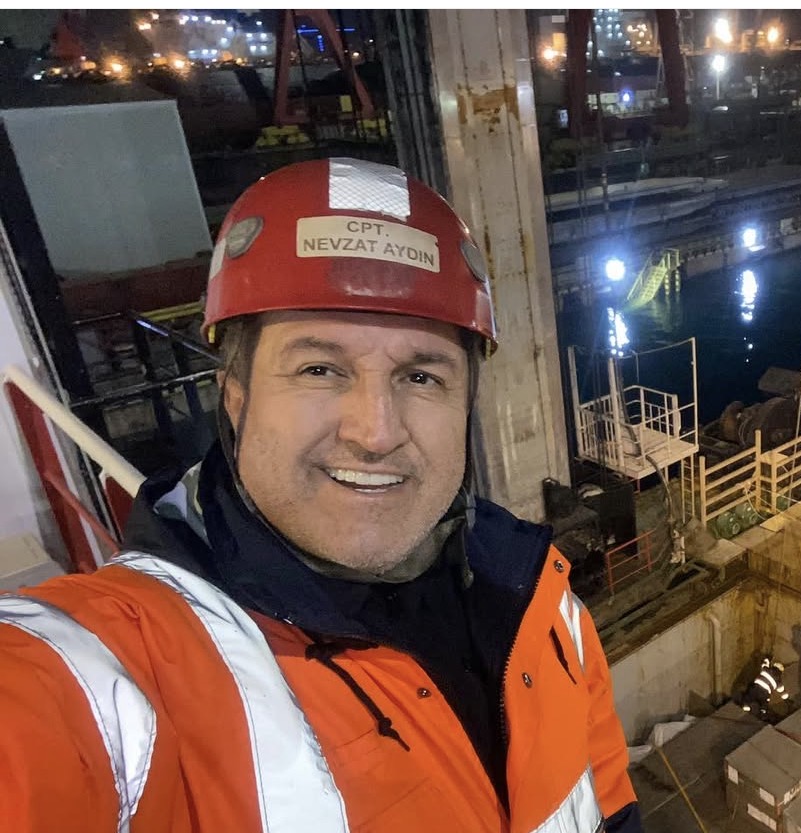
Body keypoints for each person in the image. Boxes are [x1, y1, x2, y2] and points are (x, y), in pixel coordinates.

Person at [0, 158, 641, 832]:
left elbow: (609, 799)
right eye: (319, 368)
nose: (376, 432)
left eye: (421, 377)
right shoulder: (122, 671)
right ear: (236, 397)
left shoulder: (543, 602)